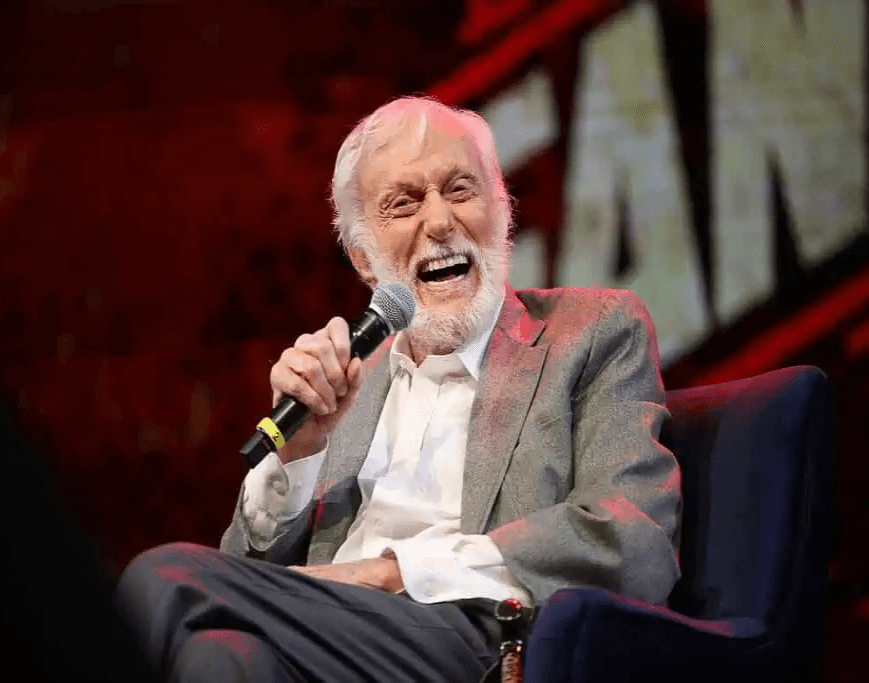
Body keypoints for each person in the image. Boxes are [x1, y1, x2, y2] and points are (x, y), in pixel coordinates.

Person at [116, 96, 682, 683]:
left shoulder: (590, 332)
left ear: (502, 214)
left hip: (476, 638)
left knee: (161, 580)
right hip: (327, 648)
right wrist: (298, 454)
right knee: (218, 655)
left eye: (460, 190)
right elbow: (240, 572)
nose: (439, 222)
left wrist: (391, 573)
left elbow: (633, 537)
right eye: (404, 204)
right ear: (364, 260)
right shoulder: (348, 379)